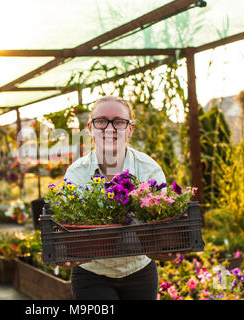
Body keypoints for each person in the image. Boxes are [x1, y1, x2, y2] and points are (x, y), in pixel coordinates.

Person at [62, 95, 177, 300]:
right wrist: (65, 250)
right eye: (101, 121)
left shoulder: (148, 169)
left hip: (139, 271)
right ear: (90, 128)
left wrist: (166, 245)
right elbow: (68, 228)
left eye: (119, 122)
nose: (109, 128)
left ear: (130, 129)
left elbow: (161, 225)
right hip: (91, 274)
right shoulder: (76, 173)